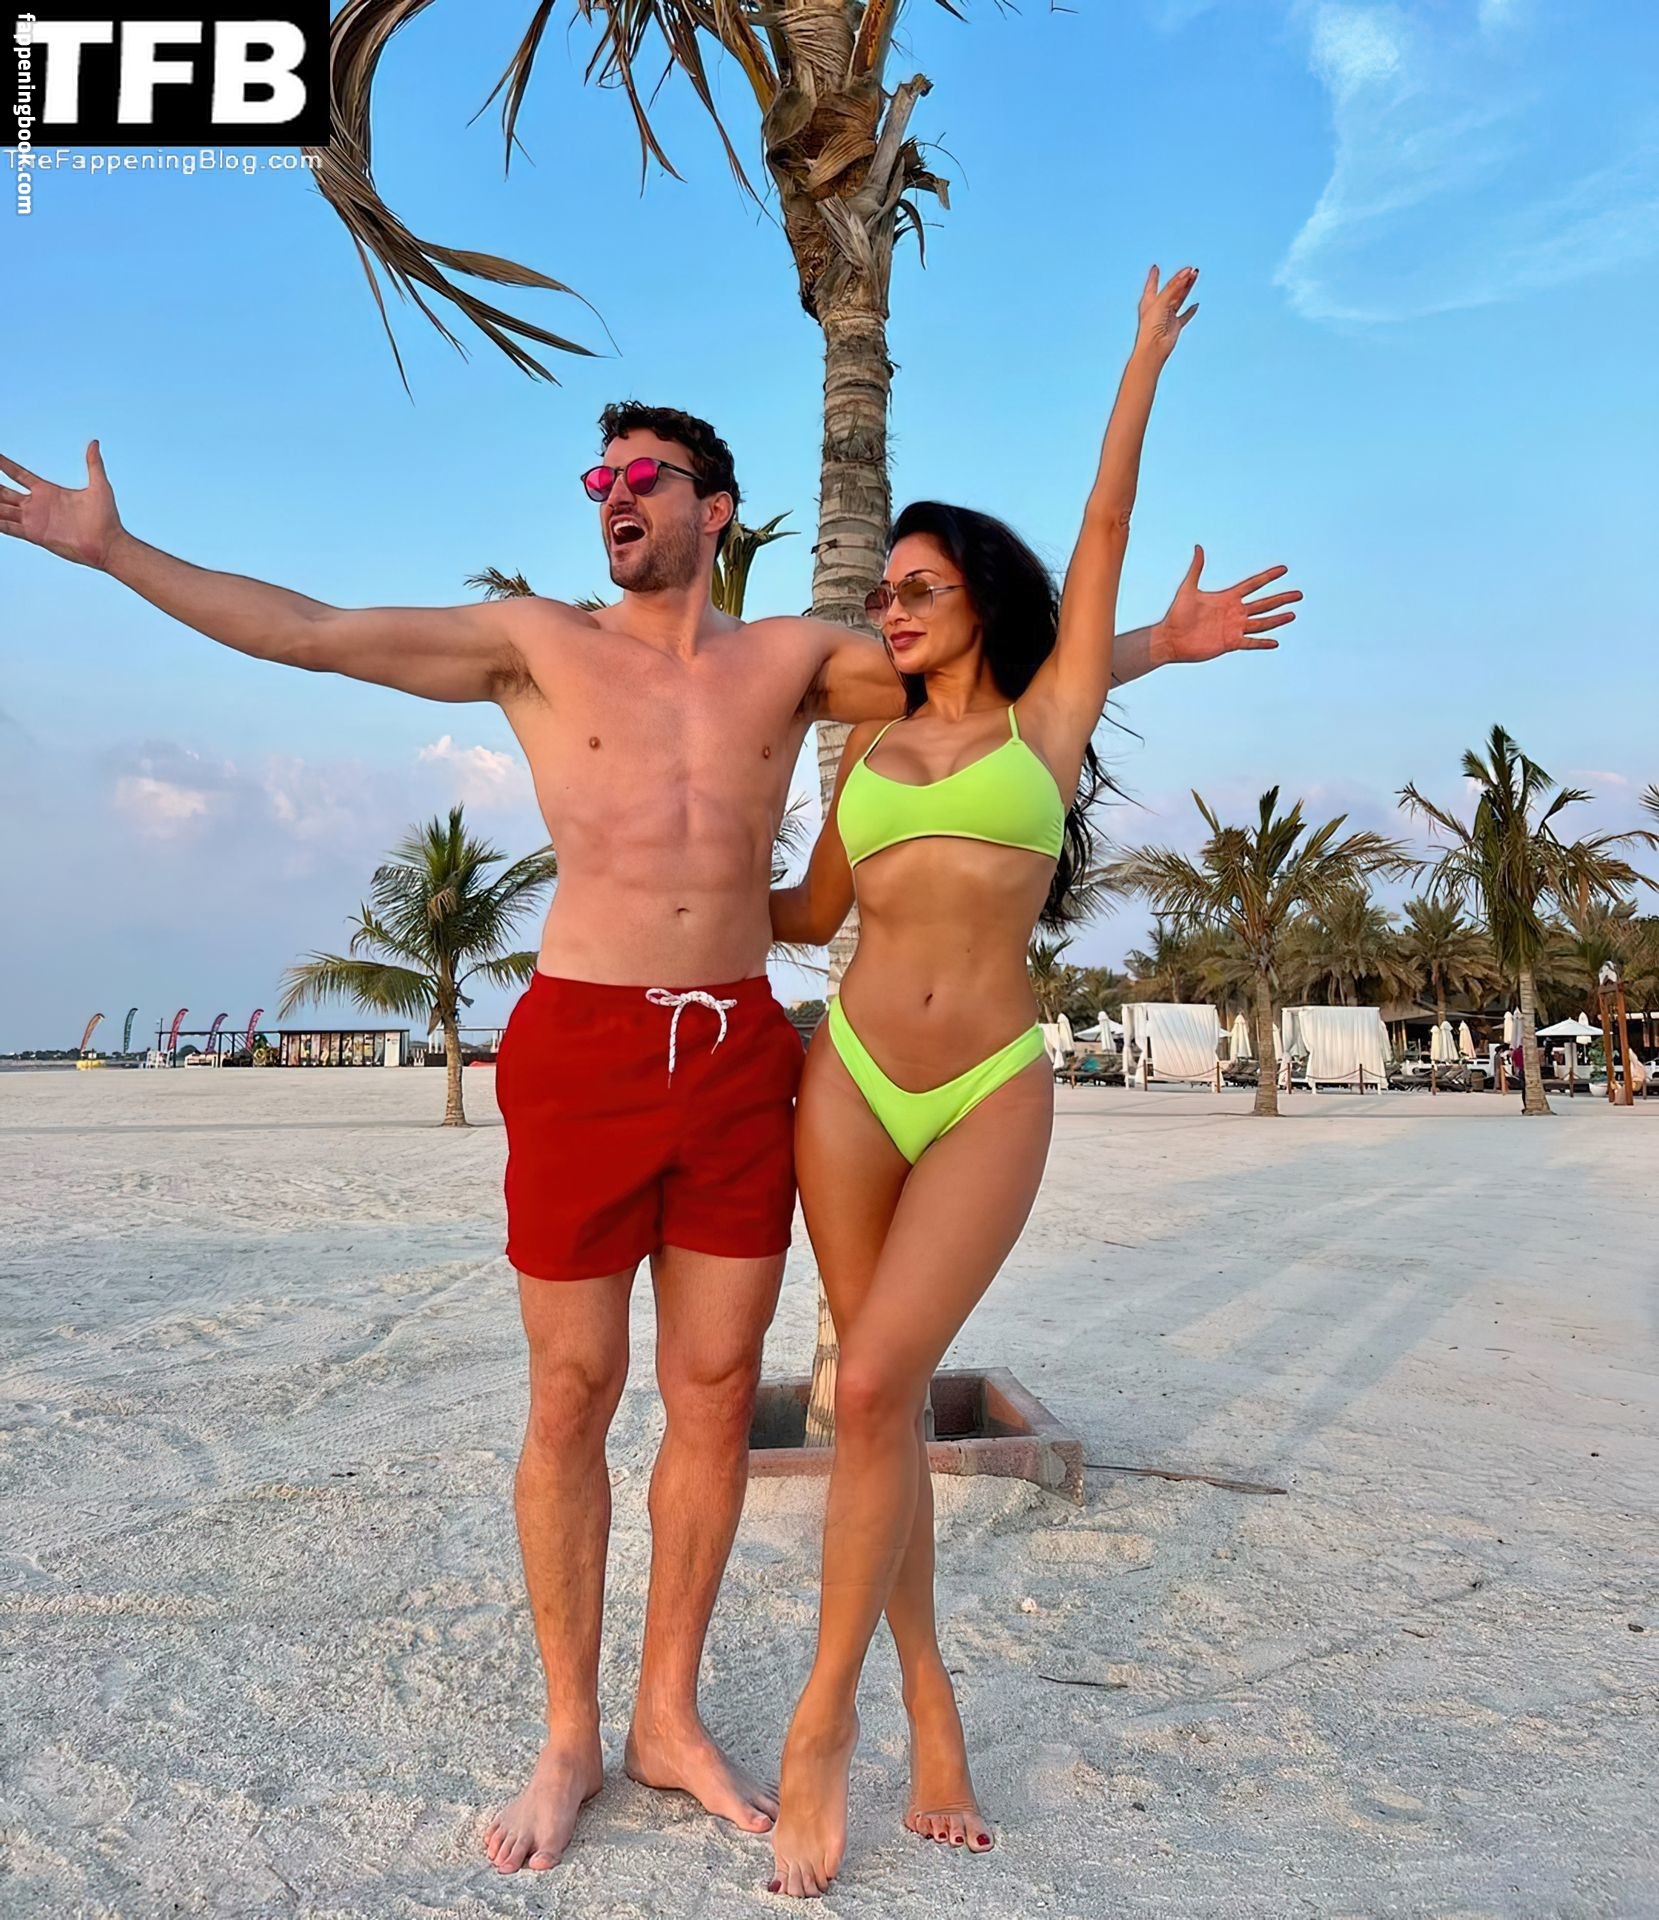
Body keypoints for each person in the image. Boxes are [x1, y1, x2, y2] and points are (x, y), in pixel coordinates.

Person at [0, 396, 1298, 1877]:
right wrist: (117, 552)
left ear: (712, 506)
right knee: (571, 1390)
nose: (612, 495)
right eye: (598, 478)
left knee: (715, 1390)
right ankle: (570, 1735)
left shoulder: (796, 661)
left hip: (739, 1048)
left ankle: (666, 1717)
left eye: (640, 476)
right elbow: (311, 631)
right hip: (585, 1042)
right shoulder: (537, 643)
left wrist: (1155, 645)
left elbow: (987, 678)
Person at [764, 266, 1217, 1896]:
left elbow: (1101, 530)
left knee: (884, 1376)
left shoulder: (1047, 721)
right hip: (848, 1082)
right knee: (870, 1403)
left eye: (918, 587)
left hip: (986, 1090)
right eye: (880, 590)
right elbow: (806, 914)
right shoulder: (865, 756)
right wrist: (666, 877)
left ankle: (825, 1726)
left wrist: (1139, 361)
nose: (889, 608)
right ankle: (928, 1700)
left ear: (977, 599)